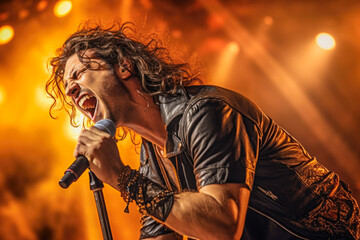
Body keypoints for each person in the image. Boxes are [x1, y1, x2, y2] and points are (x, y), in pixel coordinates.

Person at [46, 21, 360, 240]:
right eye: (68, 86)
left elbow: (223, 223)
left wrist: (122, 178)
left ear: (124, 67)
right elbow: (160, 234)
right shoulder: (151, 153)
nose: (72, 90)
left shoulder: (207, 111)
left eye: (79, 74)